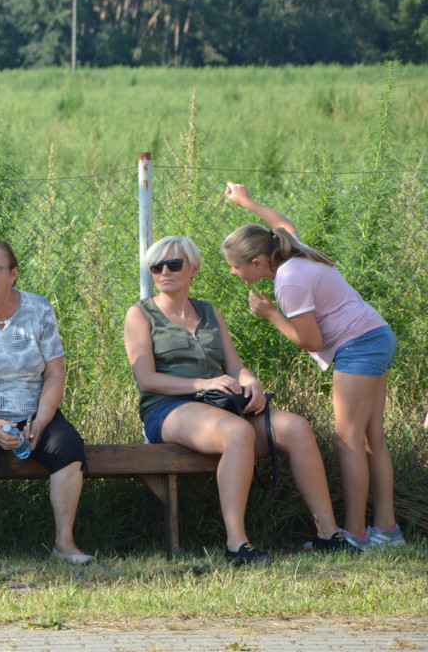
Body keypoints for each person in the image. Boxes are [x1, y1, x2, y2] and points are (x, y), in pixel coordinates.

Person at [124, 236, 351, 566]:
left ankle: (328, 535)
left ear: (193, 269)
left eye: (173, 265)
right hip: (167, 408)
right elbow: (146, 379)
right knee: (237, 432)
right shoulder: (140, 314)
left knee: (296, 428)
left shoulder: (208, 311)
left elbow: (234, 366)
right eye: (156, 267)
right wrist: (203, 382)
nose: (164, 272)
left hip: (219, 405)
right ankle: (237, 545)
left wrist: (251, 383)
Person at [222, 182, 405, 550]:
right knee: (371, 437)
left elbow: (312, 342)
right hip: (376, 334)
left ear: (257, 263)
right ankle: (387, 530)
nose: (233, 273)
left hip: (359, 347)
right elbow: (282, 222)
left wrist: (271, 315)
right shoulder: (289, 250)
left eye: (235, 267)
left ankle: (354, 535)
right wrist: (249, 203)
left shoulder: (289, 281)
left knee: (348, 439)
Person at [0, 240, 94, 571]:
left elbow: (55, 373)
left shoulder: (39, 310)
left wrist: (42, 417)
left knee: (67, 444)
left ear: (13, 273)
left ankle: (64, 543)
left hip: (34, 407)